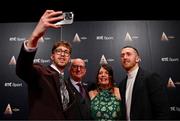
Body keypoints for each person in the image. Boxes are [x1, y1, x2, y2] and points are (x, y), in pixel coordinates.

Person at [16, 10, 75, 120]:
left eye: (66, 52)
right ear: (52, 56)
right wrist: (34, 37)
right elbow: (23, 69)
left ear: (69, 58)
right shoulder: (41, 72)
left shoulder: (67, 84)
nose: (62, 54)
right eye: (58, 51)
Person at [119, 45, 170, 120]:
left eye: (128, 54)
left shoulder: (151, 78)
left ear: (137, 59)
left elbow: (162, 111)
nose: (125, 57)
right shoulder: (122, 84)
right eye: (122, 55)